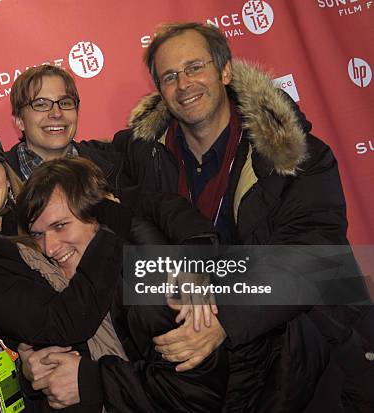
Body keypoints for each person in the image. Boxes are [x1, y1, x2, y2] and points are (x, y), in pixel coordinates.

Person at [113, 22, 373, 411]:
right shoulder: (145, 156)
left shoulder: (293, 154)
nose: (184, 84)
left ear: (225, 71)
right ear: (160, 91)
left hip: (305, 354)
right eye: (170, 76)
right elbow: (84, 174)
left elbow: (314, 256)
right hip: (215, 376)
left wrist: (226, 320)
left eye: (195, 67)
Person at [0, 131, 226, 411]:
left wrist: (197, 253)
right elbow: (59, 326)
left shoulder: (150, 273)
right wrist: (30, 371)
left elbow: (147, 203)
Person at [5, 65, 121, 186]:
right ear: (19, 120)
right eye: (41, 105)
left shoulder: (114, 162)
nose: (56, 113)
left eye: (65, 103)